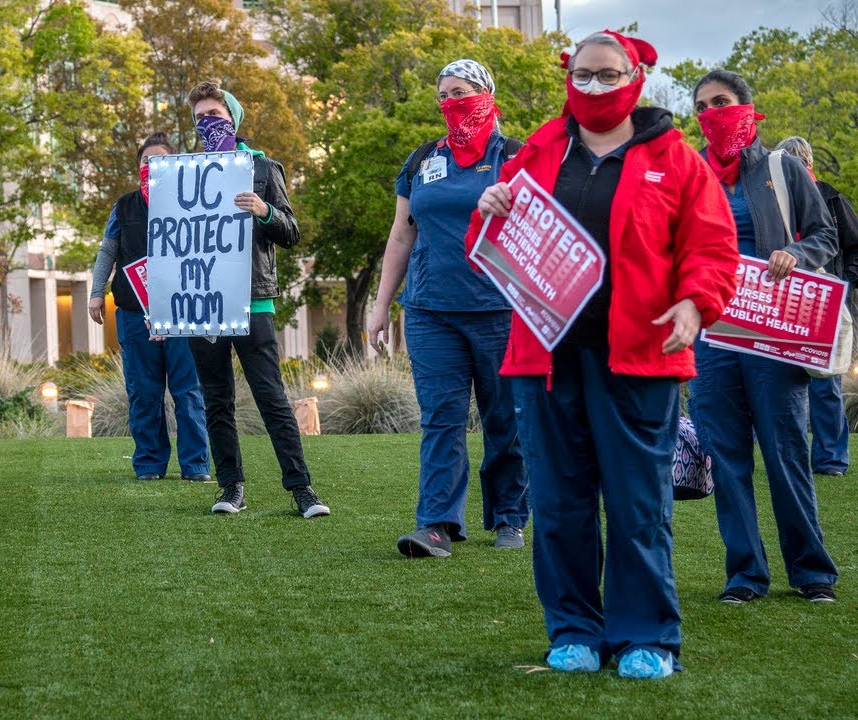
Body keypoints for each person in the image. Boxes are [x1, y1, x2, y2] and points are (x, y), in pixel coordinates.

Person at [471, 31, 740, 678]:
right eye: (584, 75)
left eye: (608, 74)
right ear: (569, 76)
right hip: (544, 358)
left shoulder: (675, 159)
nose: (595, 87)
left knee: (637, 503)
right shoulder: (537, 150)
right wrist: (489, 211)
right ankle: (573, 630)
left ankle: (647, 635)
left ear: (635, 77)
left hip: (641, 358)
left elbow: (711, 247)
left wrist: (694, 305)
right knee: (560, 504)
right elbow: (489, 250)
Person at [687, 72, 840, 605]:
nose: (712, 113)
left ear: (747, 108)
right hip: (711, 335)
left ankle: (811, 571)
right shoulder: (691, 173)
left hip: (775, 334)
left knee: (786, 450)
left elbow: (826, 235)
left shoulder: (784, 167)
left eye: (721, 102)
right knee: (726, 456)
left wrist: (795, 255)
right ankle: (745, 575)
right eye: (702, 106)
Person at [368, 59, 528, 558]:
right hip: (430, 311)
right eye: (443, 95)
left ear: (486, 94)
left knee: (506, 418)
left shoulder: (518, 156)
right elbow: (400, 236)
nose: (450, 103)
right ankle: (436, 523)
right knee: (442, 417)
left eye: (459, 92)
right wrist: (379, 308)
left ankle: (510, 517)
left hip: (500, 311)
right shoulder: (422, 160)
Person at [184, 80, 329, 519]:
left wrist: (265, 211)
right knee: (216, 398)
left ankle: (302, 488)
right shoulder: (185, 173)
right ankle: (231, 487)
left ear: (235, 118)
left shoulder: (264, 169)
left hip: (254, 299)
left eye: (216, 116)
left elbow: (291, 231)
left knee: (271, 397)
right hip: (204, 302)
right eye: (200, 119)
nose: (209, 125)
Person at [89, 132, 211, 482]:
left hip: (183, 315)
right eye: (146, 160)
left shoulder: (190, 201)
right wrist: (97, 291)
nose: (152, 165)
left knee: (188, 392)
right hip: (132, 314)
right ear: (138, 165)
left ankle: (196, 465)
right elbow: (107, 251)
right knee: (143, 392)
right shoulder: (124, 206)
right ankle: (149, 464)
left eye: (160, 160)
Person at [776, 135, 858, 477]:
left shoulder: (831, 199)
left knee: (827, 382)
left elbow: (854, 247)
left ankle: (831, 458)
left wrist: (844, 284)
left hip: (827, 300)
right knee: (781, 379)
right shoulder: (773, 198)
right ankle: (785, 455)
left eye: (796, 165)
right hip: (783, 299)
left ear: (808, 165)